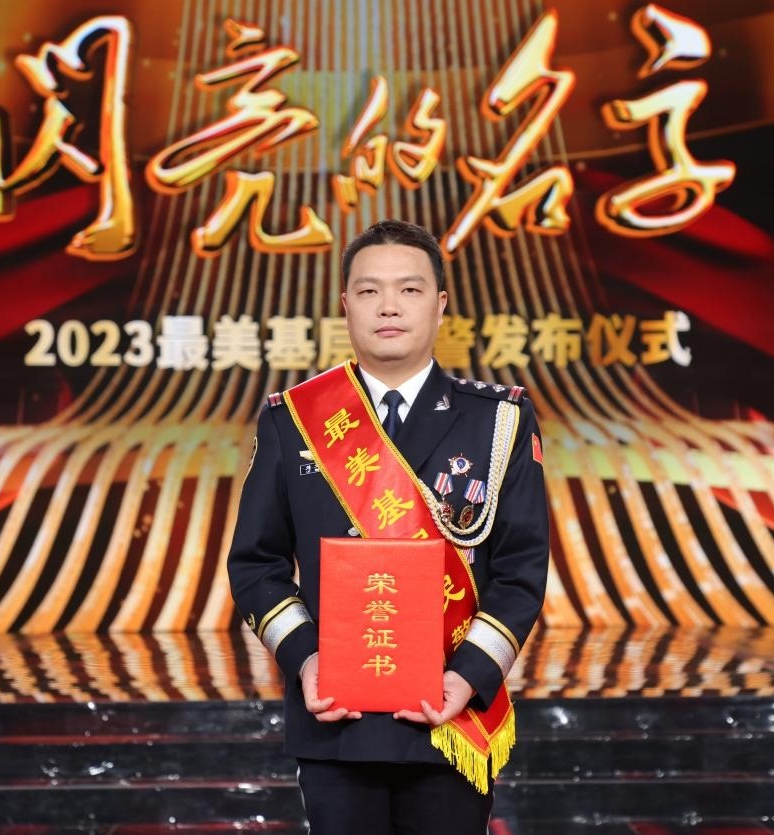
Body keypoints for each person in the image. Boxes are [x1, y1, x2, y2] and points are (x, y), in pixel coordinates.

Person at [226, 219, 549, 834]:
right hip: (335, 718)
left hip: (450, 714)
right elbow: (256, 564)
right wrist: (305, 658)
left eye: (410, 289)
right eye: (369, 291)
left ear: (440, 303)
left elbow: (520, 568)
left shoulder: (498, 419)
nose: (389, 306)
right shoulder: (294, 420)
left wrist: (467, 676)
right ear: (345, 304)